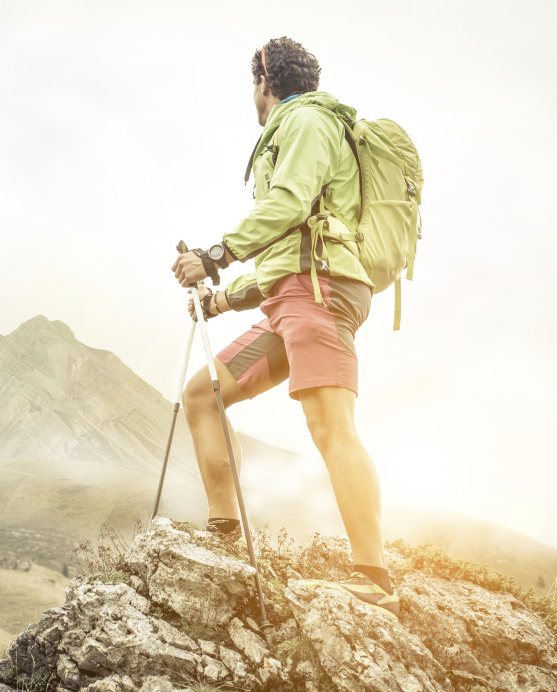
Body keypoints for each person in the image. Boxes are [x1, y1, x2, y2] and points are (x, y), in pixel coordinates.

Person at [170, 37, 400, 620]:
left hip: (318, 297)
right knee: (204, 394)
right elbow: (283, 256)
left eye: (254, 86)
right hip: (294, 300)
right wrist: (220, 300)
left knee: (330, 424)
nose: (254, 96)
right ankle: (224, 535)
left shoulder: (304, 122)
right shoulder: (306, 131)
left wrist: (215, 255)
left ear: (265, 83)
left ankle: (374, 577)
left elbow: (291, 207)